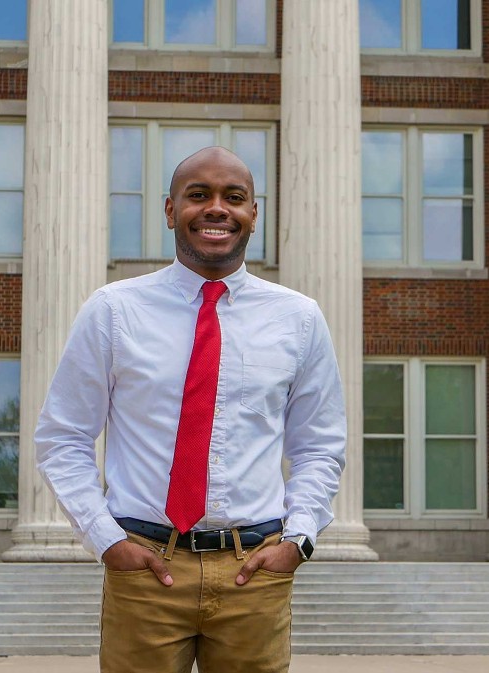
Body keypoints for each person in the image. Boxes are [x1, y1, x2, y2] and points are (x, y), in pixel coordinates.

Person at [35, 146, 346, 673]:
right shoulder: (114, 310)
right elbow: (62, 436)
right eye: (198, 195)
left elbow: (319, 445)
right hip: (146, 569)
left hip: (256, 570)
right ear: (169, 209)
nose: (216, 209)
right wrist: (107, 541)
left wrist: (298, 540)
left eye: (235, 197)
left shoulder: (299, 317)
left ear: (254, 213)